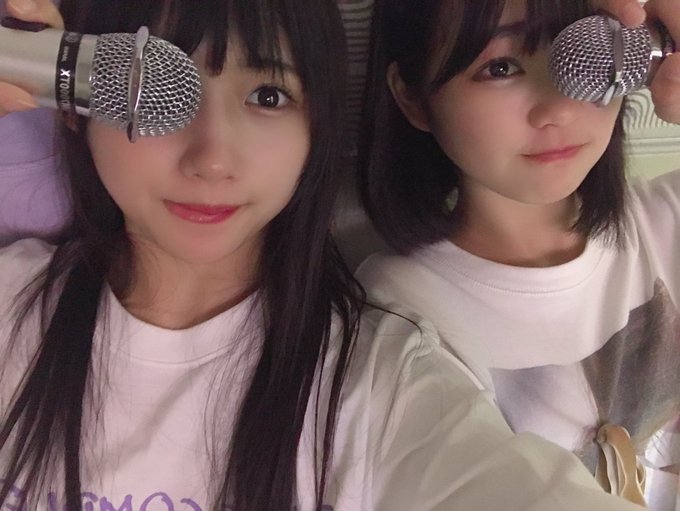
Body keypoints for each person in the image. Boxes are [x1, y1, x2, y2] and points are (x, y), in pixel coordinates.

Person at [0, 1, 652, 510]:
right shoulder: (11, 305)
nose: (213, 158)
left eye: (268, 96)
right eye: (153, 85)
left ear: (317, 128)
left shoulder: (379, 384)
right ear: (73, 106)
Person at [357, 0, 680, 508]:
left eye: (591, 54)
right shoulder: (394, 316)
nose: (559, 108)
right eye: (500, 67)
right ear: (413, 96)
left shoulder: (667, 221)